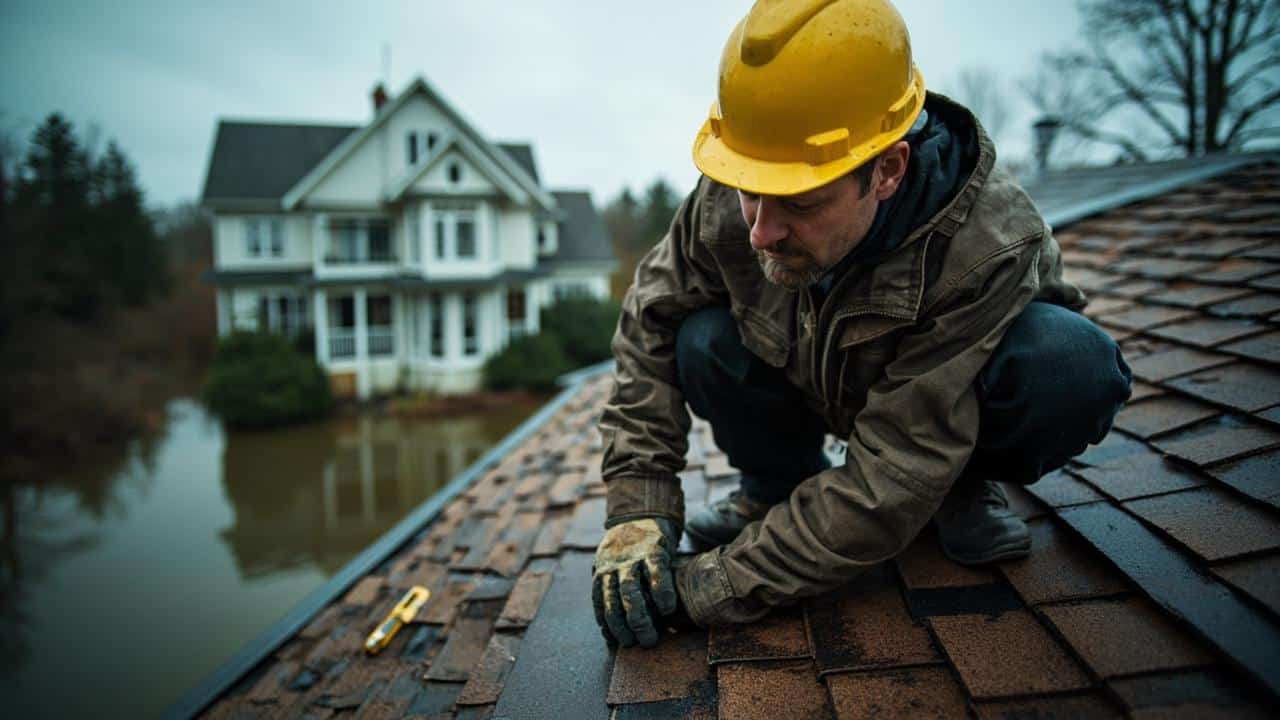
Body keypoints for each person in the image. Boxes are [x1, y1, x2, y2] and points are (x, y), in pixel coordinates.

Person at [590, 0, 1132, 649]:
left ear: (888, 170)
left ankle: (956, 486)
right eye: (750, 192)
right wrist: (639, 509)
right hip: (807, 380)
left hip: (925, 416)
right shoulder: (744, 179)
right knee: (699, 336)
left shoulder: (989, 249)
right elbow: (648, 325)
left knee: (1067, 362)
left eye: (799, 203)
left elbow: (897, 463)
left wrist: (717, 584)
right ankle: (777, 485)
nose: (760, 231)